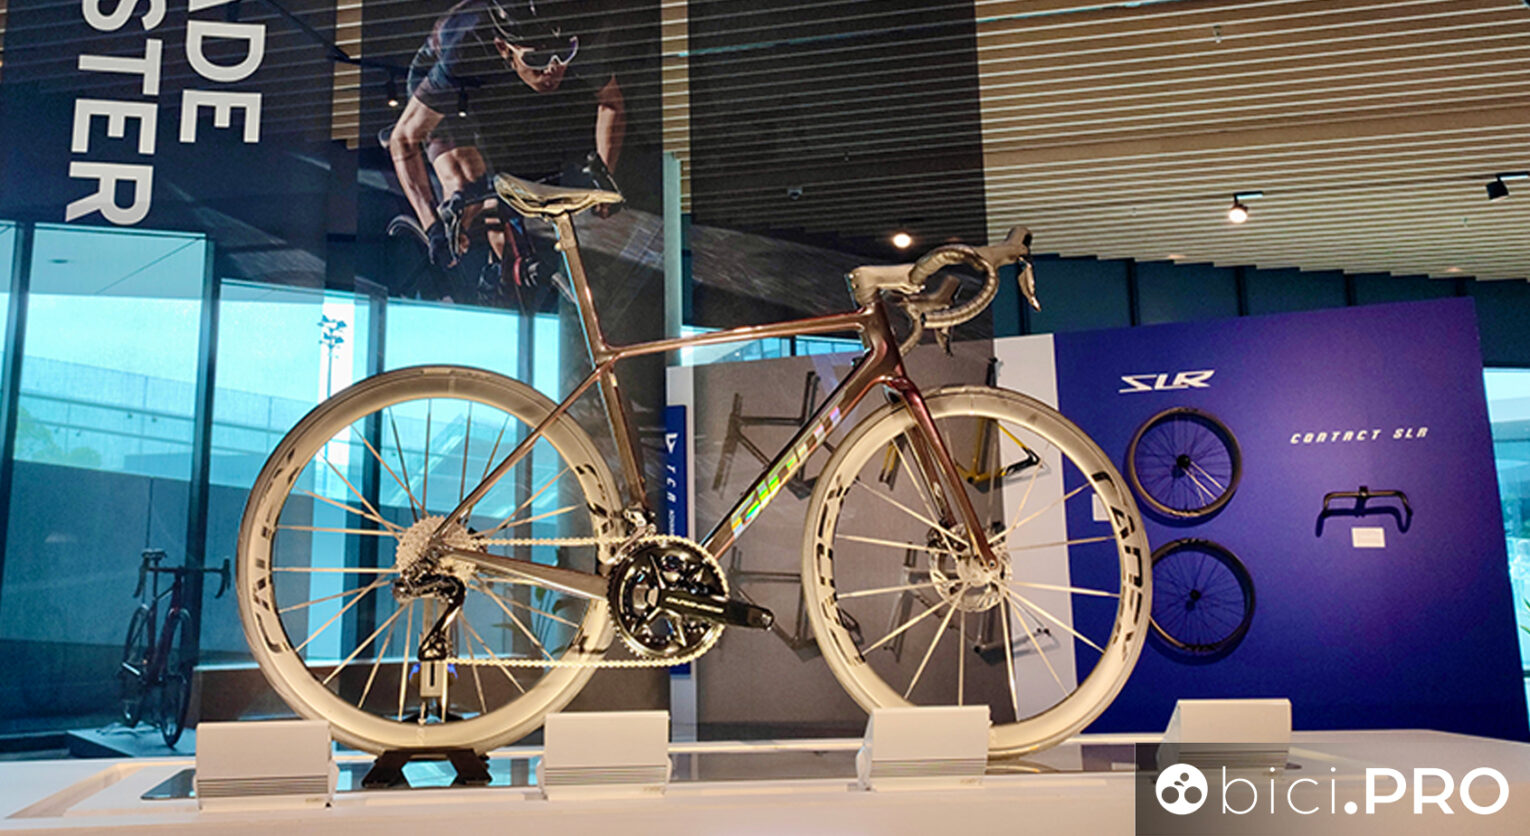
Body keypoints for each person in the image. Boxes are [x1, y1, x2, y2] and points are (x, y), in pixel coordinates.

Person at [387, 0, 625, 307]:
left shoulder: (579, 37)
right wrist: (431, 225)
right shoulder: (465, 48)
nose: (554, 67)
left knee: (506, 188)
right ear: (503, 47)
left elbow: (611, 103)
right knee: (468, 183)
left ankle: (500, 268)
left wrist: (605, 177)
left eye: (563, 54)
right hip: (454, 89)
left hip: (505, 85)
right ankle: (459, 250)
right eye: (538, 58)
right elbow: (404, 139)